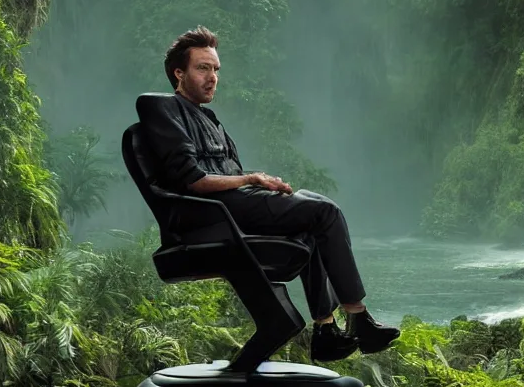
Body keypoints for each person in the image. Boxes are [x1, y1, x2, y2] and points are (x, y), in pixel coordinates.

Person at [137, 25, 400, 362]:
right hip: (212, 215)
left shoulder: (210, 118)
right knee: (326, 212)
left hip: (235, 206)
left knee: (314, 218)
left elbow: (230, 175)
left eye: (215, 69)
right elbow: (194, 180)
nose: (213, 76)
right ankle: (358, 317)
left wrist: (261, 182)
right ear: (178, 72)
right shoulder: (159, 107)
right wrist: (253, 179)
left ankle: (326, 330)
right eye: (202, 68)